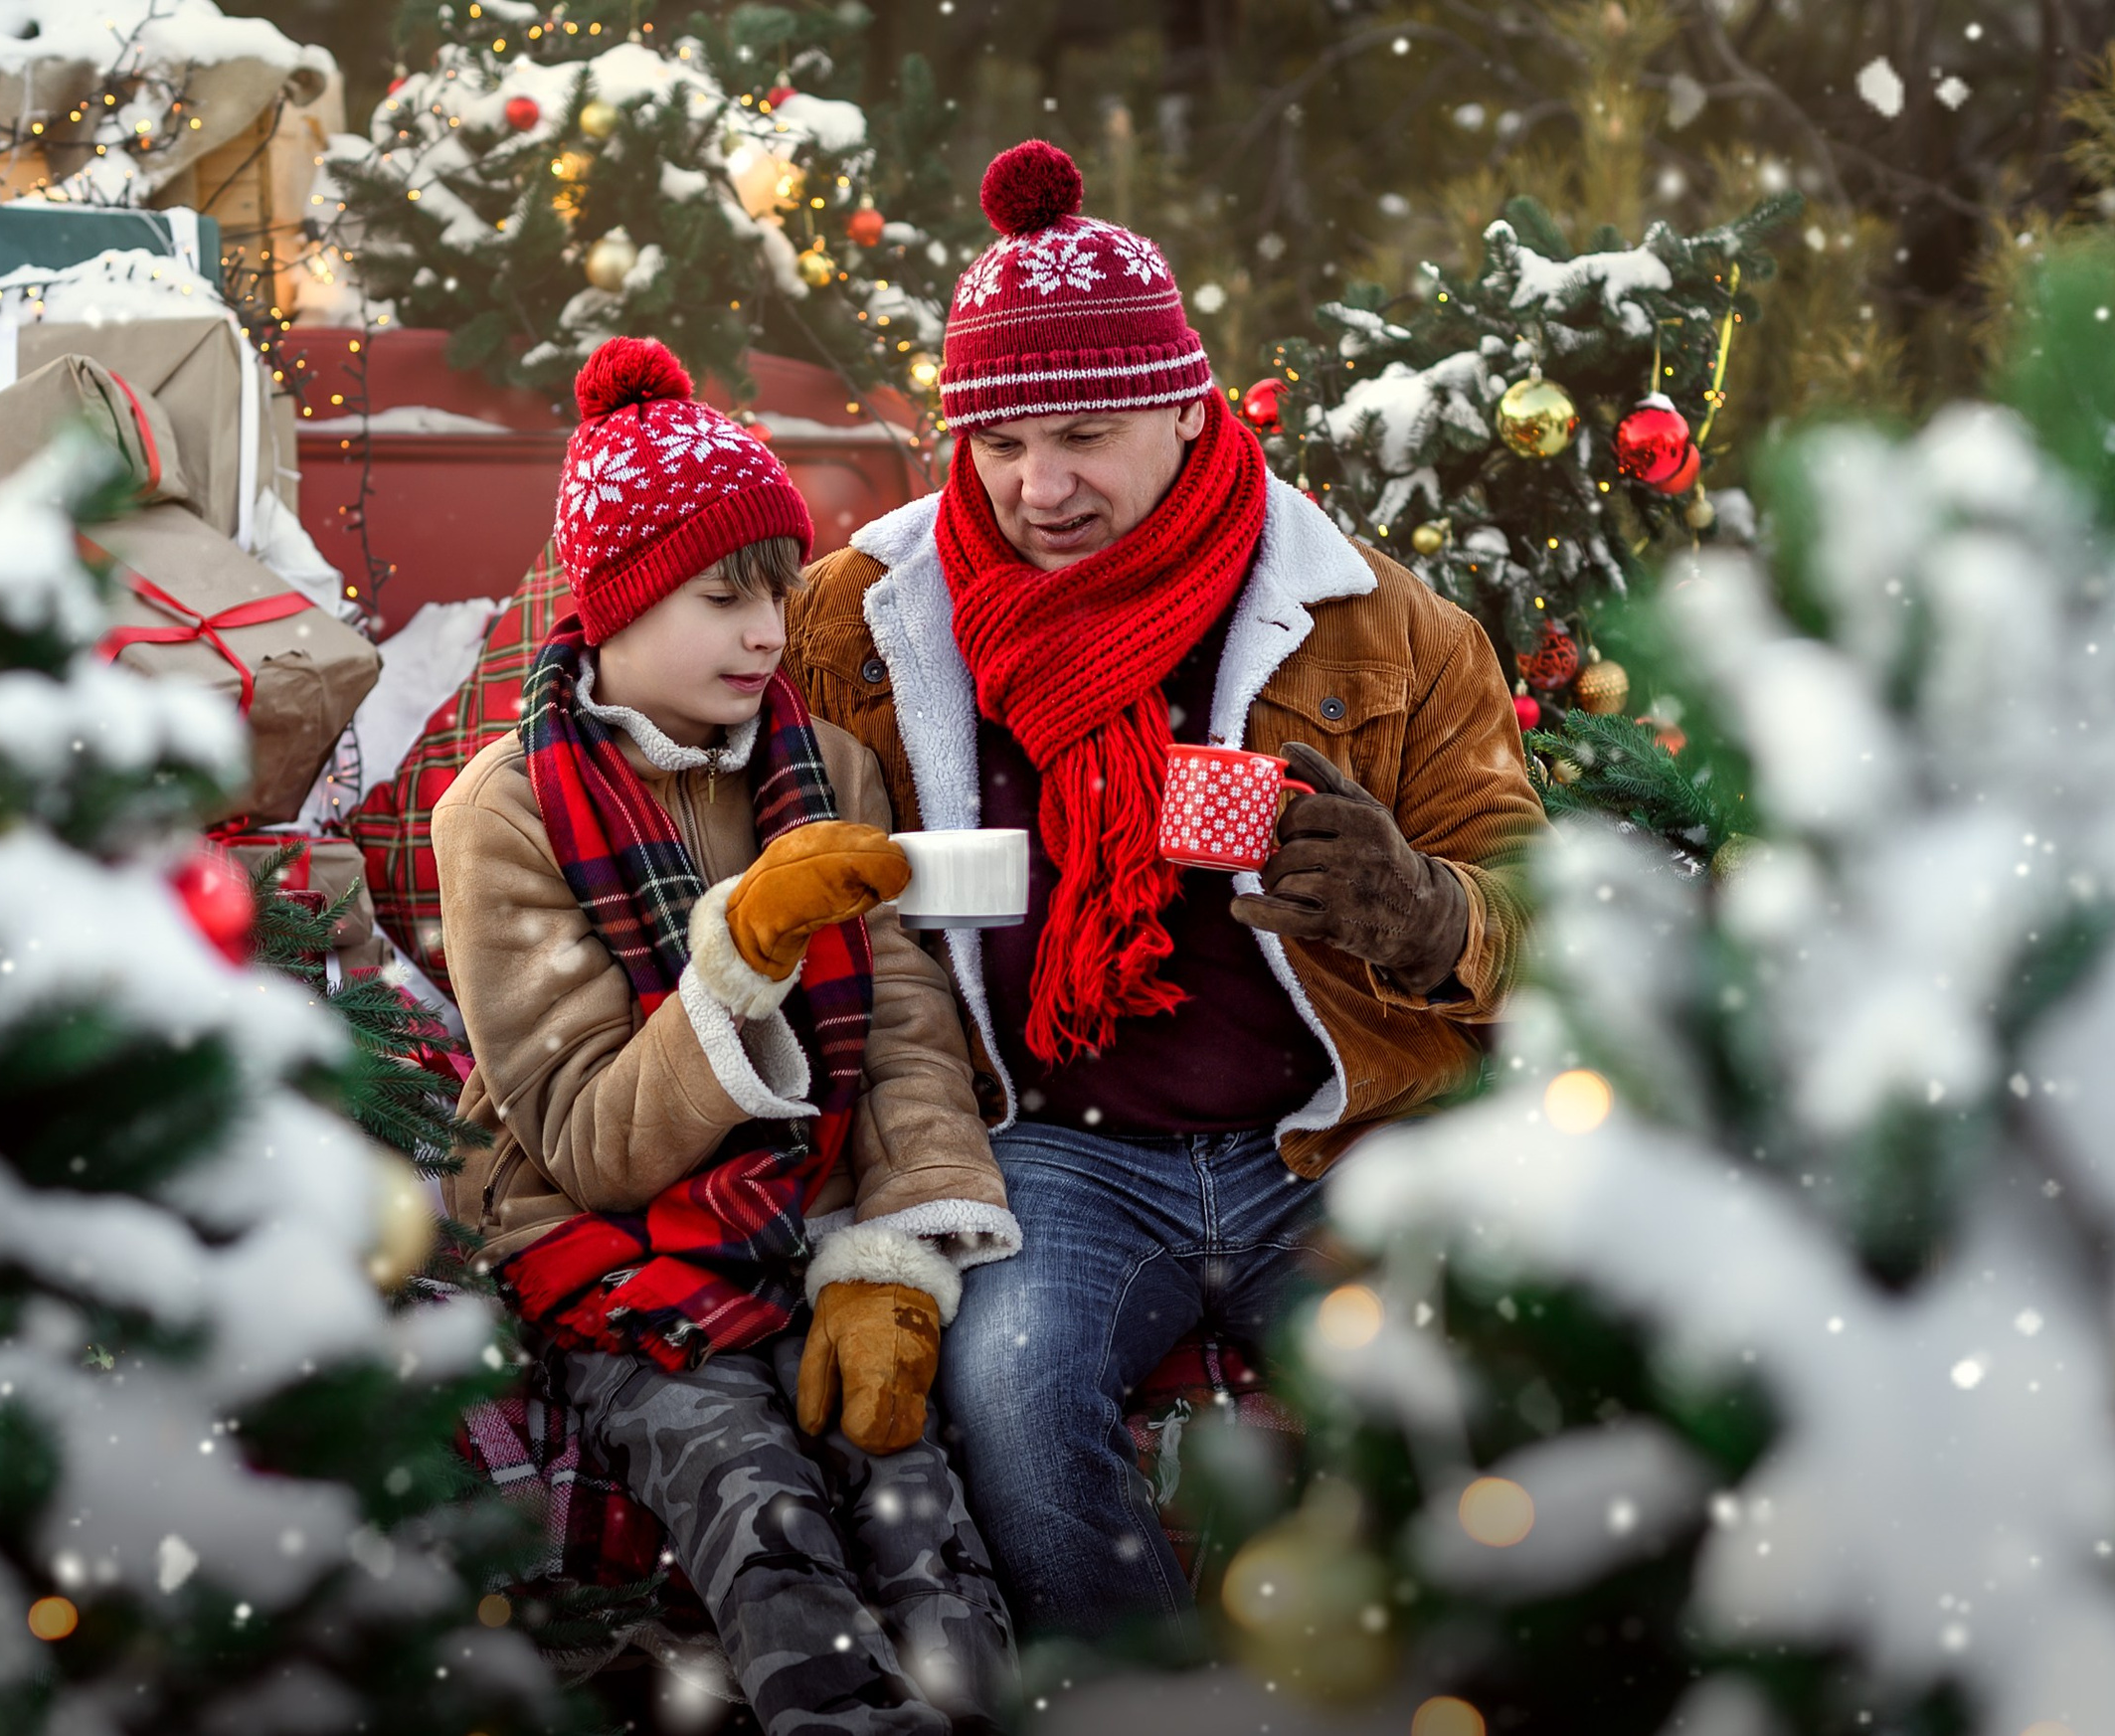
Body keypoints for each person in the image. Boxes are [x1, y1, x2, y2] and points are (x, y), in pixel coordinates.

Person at [786, 141, 1548, 1639]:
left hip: (1323, 1141)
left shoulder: (1374, 622)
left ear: (1187, 410)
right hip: (1057, 1151)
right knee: (1009, 1401)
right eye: (998, 441)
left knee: (1446, 1416)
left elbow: (1543, 904)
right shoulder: (869, 620)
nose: (1036, 486)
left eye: (1084, 433)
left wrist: (1421, 910)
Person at [431, 338, 1021, 1732]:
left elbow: (910, 1037)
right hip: (619, 1245)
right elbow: (585, 1135)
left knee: (914, 1491)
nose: (770, 633)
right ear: (621, 606)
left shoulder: (832, 768)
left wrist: (894, 1257)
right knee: (749, 1485)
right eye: (725, 597)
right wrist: (741, 955)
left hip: (806, 1215)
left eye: (778, 592)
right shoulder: (502, 814)